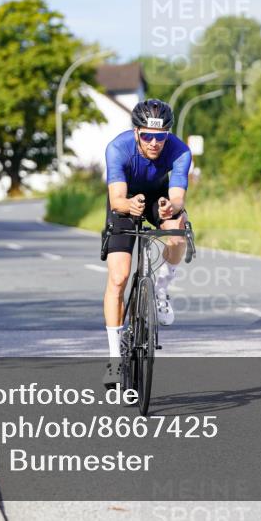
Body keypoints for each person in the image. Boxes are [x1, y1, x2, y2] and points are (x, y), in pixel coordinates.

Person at [102, 99, 191, 387]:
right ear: (137, 132)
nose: (154, 143)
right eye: (148, 136)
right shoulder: (118, 148)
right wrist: (128, 205)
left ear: (168, 134)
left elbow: (178, 196)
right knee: (119, 277)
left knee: (176, 230)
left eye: (161, 136)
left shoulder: (180, 151)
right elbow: (117, 198)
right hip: (124, 199)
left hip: (157, 197)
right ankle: (115, 358)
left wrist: (169, 207)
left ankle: (162, 288)